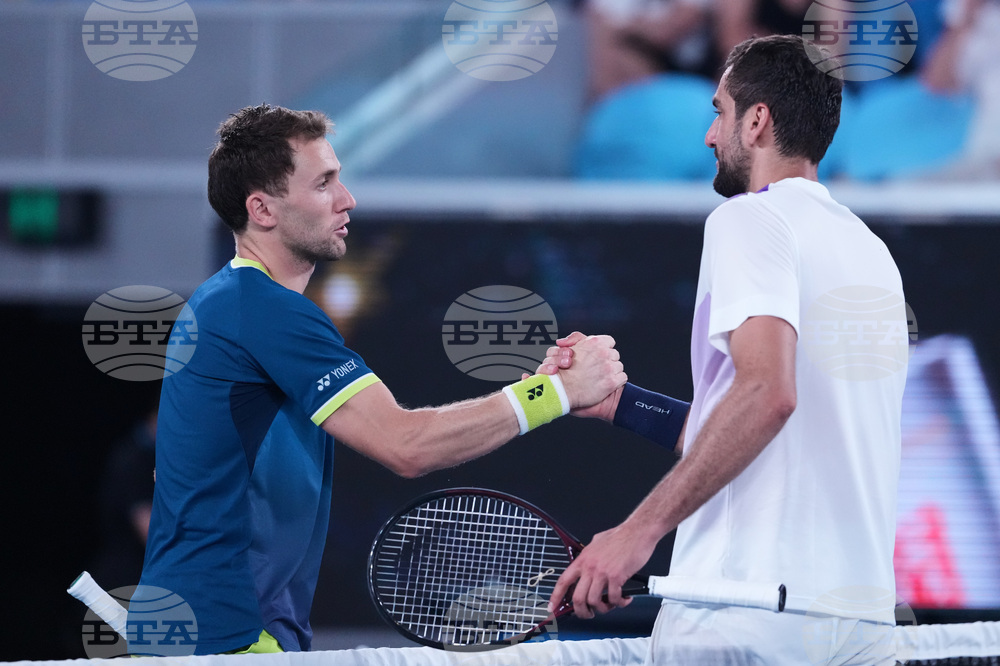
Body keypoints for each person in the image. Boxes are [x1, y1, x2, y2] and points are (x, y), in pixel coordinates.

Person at [130, 104, 626, 656]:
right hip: (227, 637)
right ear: (262, 209)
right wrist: (555, 394)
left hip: (214, 631)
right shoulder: (261, 309)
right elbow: (406, 444)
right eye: (323, 184)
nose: (347, 199)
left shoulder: (224, 305)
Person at [544, 35, 910, 664]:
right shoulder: (871, 251)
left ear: (758, 120)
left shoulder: (749, 219)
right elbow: (761, 428)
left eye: (719, 110)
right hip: (859, 625)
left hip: (747, 618)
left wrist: (637, 533)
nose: (711, 135)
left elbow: (767, 395)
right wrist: (622, 404)